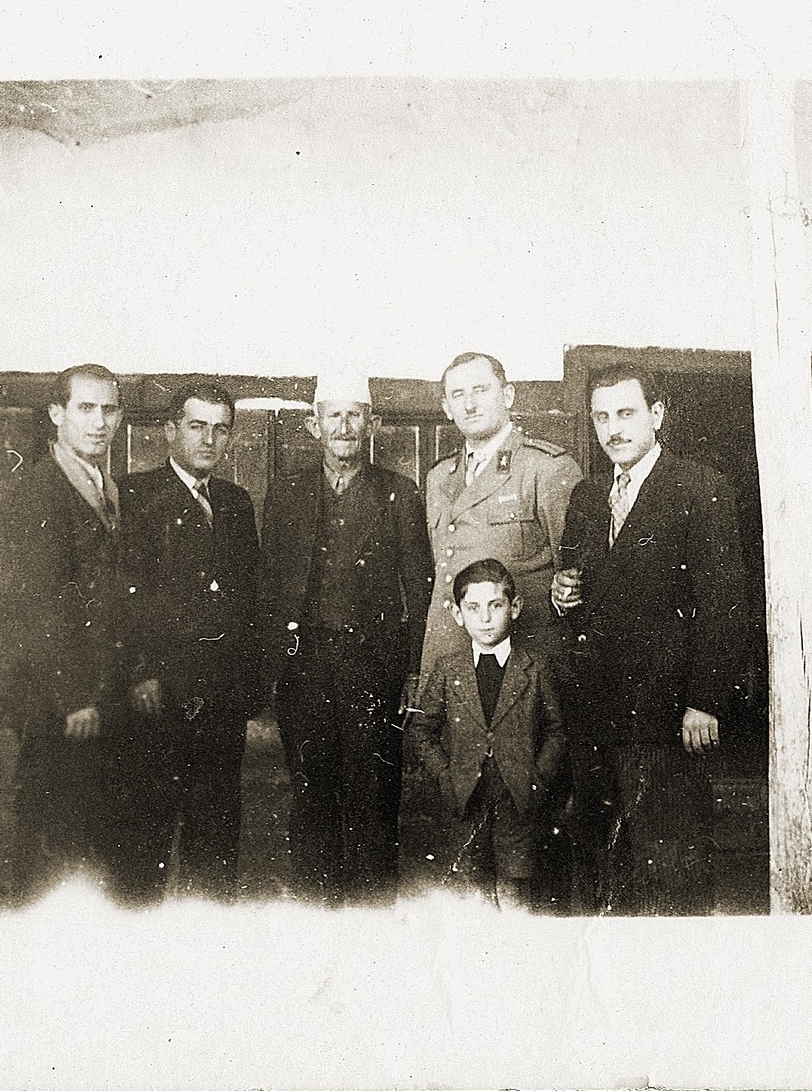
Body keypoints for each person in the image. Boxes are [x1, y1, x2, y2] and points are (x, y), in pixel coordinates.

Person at [550, 362, 750, 917]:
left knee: (671, 864)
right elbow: (585, 594)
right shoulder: (588, 497)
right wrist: (564, 598)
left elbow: (723, 606)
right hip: (595, 711)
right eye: (601, 416)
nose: (612, 428)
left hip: (667, 717)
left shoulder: (700, 487)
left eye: (626, 413)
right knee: (604, 864)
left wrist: (705, 702)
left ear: (657, 416)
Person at [257, 372, 433, 906]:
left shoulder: (397, 492)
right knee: (310, 794)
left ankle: (372, 916)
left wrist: (409, 672)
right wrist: (271, 670)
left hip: (371, 667)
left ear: (372, 424)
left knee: (373, 796)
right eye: (333, 415)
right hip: (305, 666)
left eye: (355, 414)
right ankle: (318, 914)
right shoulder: (287, 492)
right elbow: (268, 583)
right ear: (314, 425)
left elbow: (419, 586)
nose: (344, 426)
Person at [421, 351, 582, 911]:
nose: (470, 403)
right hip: (461, 677)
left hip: (526, 680)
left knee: (531, 839)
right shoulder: (440, 477)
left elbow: (578, 572)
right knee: (465, 836)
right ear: (445, 406)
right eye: (457, 394)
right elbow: (443, 585)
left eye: (481, 390)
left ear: (508, 396)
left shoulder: (546, 468)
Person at [112, 381, 260, 904]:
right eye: (197, 426)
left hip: (219, 698)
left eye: (221, 429)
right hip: (157, 693)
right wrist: (140, 672)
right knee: (145, 836)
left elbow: (247, 601)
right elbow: (120, 598)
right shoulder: (132, 497)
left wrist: (245, 687)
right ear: (170, 431)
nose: (209, 439)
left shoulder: (236, 503)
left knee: (216, 835)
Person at [0, 363, 127, 903]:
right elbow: (39, 606)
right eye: (85, 408)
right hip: (59, 704)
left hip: (97, 698)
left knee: (91, 845)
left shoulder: (103, 484)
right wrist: (74, 696)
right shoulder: (38, 489)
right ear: (57, 414)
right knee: (52, 851)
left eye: (109, 409)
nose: (99, 422)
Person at [409, 558, 567, 911]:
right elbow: (421, 729)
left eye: (495, 606)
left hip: (519, 799)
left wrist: (538, 776)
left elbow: (558, 731)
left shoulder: (536, 667)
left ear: (515, 607)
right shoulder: (448, 669)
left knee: (516, 894)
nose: (484, 618)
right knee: (472, 892)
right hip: (465, 798)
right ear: (457, 613)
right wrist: (445, 774)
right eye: (473, 608)